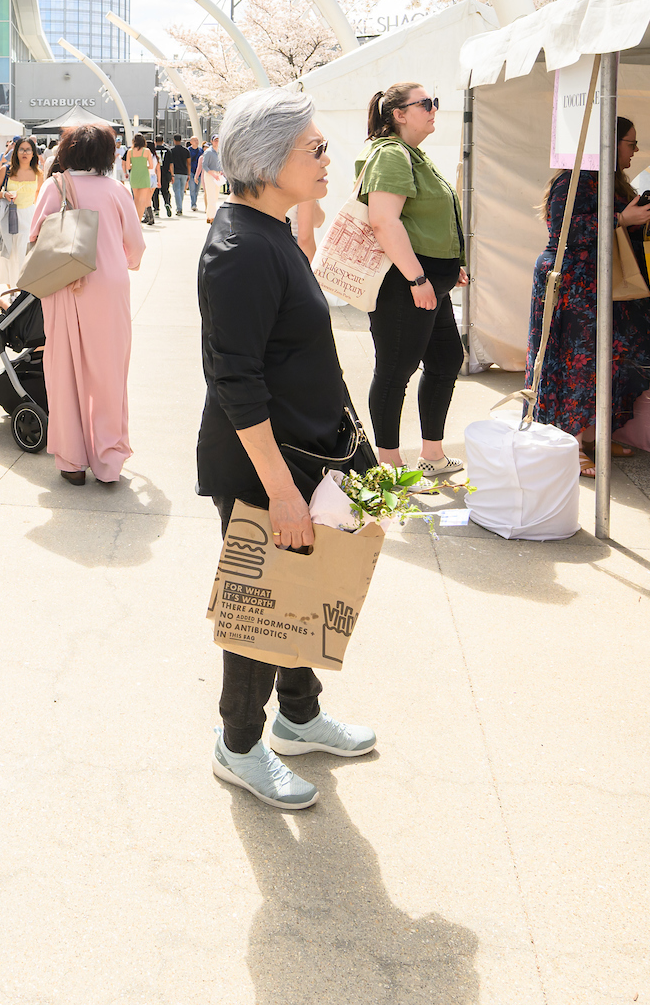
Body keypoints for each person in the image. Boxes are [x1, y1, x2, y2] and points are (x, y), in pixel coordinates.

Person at [196, 88, 377, 810]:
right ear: (270, 162)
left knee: (304, 593)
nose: (329, 160)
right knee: (262, 610)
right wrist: (282, 492)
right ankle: (238, 743)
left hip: (307, 456)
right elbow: (234, 382)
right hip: (266, 466)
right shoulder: (239, 249)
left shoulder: (271, 228)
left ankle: (298, 717)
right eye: (316, 149)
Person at [526, 115, 650, 471]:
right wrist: (620, 219)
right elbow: (562, 229)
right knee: (577, 363)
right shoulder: (572, 180)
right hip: (573, 283)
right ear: (610, 144)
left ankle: (594, 433)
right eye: (631, 143)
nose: (634, 151)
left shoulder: (611, 181)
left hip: (603, 283)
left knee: (611, 359)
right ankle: (572, 442)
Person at [358, 83, 469, 478]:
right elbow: (383, 221)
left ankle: (433, 456)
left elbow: (423, 219)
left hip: (425, 283)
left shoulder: (411, 155)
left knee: (445, 360)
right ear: (399, 114)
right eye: (425, 103)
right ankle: (388, 468)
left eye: (434, 101)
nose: (433, 108)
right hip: (405, 283)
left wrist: (449, 264)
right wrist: (419, 277)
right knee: (395, 370)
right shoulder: (390, 155)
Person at [33, 122, 145, 486]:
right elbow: (136, 248)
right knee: (109, 371)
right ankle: (109, 461)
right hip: (109, 287)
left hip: (64, 285)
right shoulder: (116, 189)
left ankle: (71, 460)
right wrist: (121, 260)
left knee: (64, 368)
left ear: (66, 151)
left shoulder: (55, 186)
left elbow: (35, 238)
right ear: (107, 154)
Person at [126, 133, 157, 225]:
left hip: (134, 175)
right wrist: (144, 166)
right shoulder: (146, 151)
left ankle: (134, 221)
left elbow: (128, 166)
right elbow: (151, 166)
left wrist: (135, 165)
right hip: (144, 175)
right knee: (143, 200)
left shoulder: (130, 151)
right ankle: (139, 221)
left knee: (136, 199)